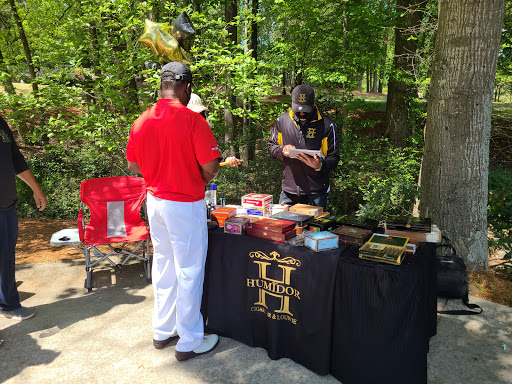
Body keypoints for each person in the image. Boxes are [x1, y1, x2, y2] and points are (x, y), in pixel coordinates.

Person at [126, 61, 220, 362]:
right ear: (188, 87)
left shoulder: (142, 120)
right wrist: (194, 178)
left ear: (161, 85)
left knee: (164, 266)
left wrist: (156, 175)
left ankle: (162, 330)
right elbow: (211, 168)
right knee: (189, 270)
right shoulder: (194, 121)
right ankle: (190, 340)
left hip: (154, 202)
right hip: (185, 203)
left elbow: (132, 167)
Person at [1, 116, 47, 321]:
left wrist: (36, 189)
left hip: (6, 205)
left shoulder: (1, 123)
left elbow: (15, 159)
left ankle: (8, 303)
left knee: (6, 257)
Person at [268, 84, 340, 210]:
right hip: (288, 191)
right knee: (284, 226)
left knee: (313, 229)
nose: (301, 113)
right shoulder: (282, 121)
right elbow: (271, 148)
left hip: (316, 193)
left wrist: (320, 165)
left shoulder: (327, 125)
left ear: (313, 103)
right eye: (298, 109)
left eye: (305, 110)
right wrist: (282, 150)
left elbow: (334, 158)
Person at [187, 93, 242, 168]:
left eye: (202, 114)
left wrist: (226, 160)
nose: (199, 119)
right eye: (193, 115)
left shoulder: (200, 135)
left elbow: (211, 161)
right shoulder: (174, 137)